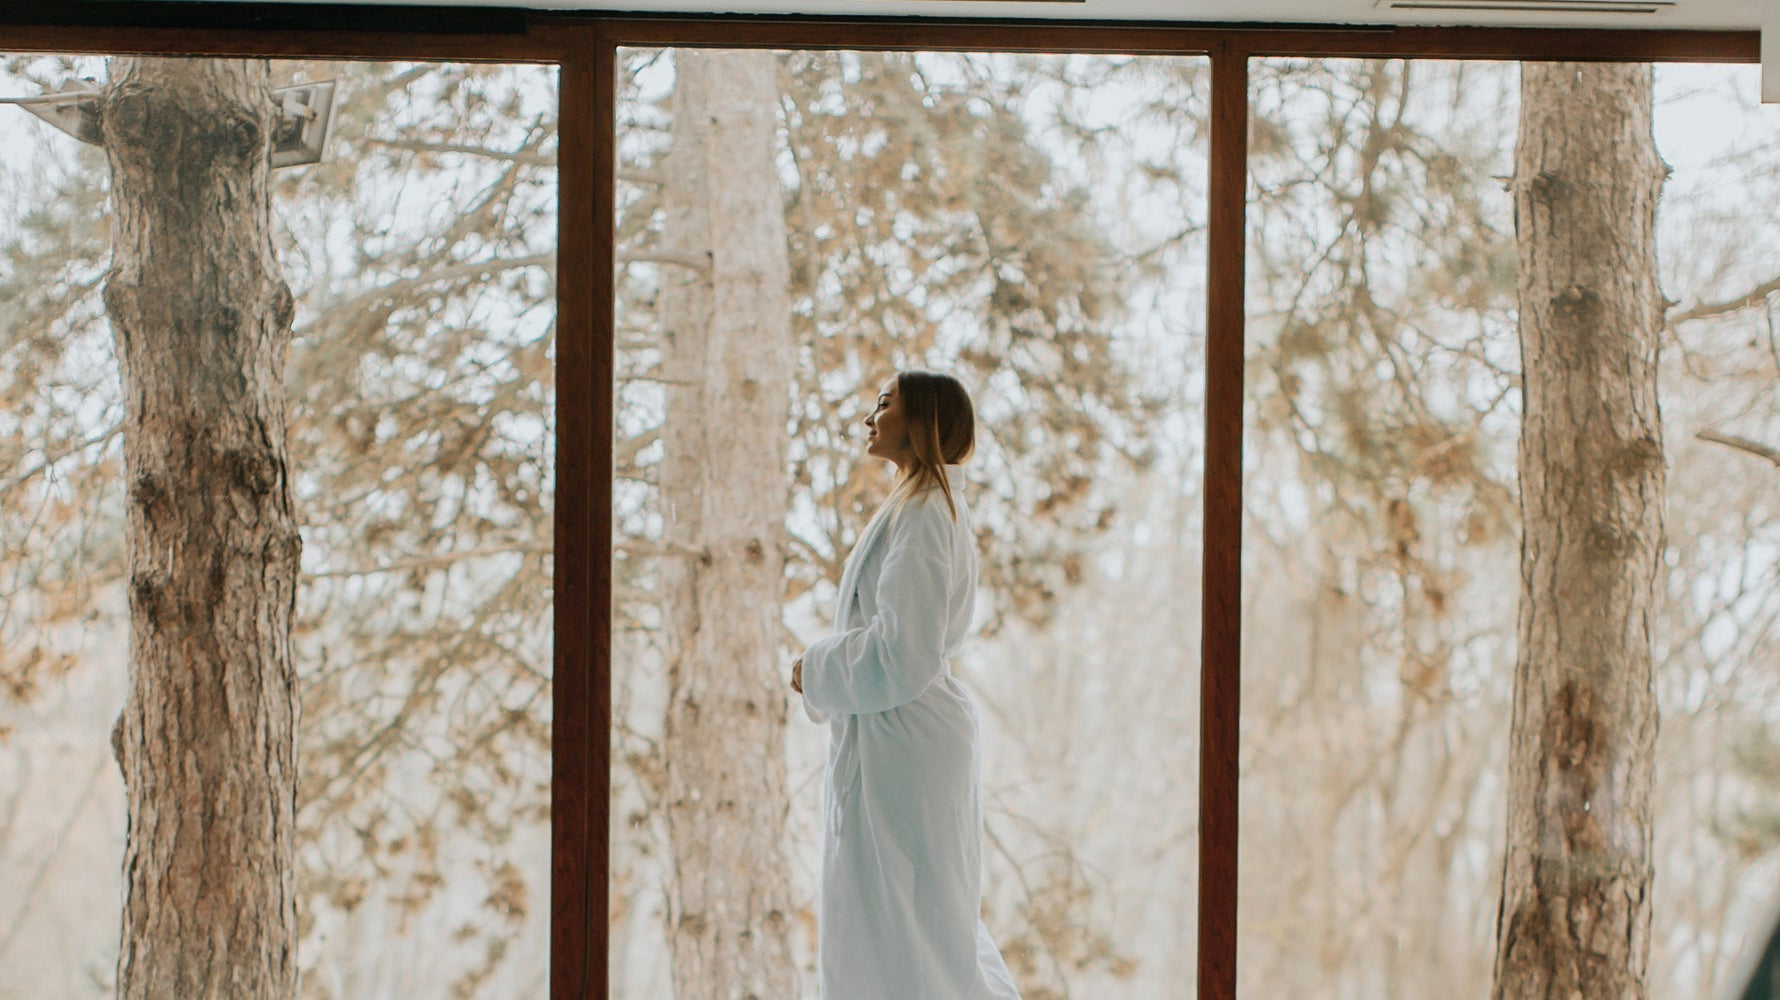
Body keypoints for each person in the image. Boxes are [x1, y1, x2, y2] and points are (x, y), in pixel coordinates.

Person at [790, 369, 1023, 1000]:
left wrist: (815, 669)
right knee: (909, 927)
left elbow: (904, 651)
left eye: (885, 405)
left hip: (907, 745)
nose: (871, 418)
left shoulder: (924, 513)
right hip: (899, 740)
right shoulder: (918, 506)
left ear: (918, 421)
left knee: (909, 931)